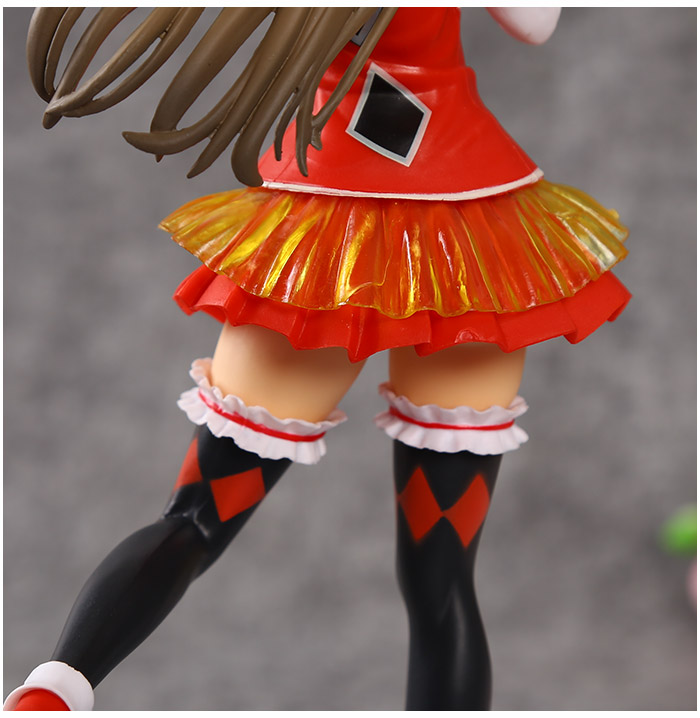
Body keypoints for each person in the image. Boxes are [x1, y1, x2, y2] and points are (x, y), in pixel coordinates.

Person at [6, 7, 629, 710]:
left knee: (197, 519)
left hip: (333, 231)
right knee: (442, 573)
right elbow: (535, 22)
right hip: (464, 240)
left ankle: (57, 687)